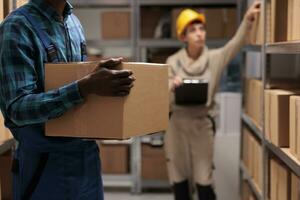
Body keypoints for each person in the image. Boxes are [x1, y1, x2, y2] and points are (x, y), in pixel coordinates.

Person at [0, 0, 135, 199]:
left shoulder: (74, 23)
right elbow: (18, 108)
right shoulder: (17, 27)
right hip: (44, 166)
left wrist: (96, 82)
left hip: (85, 159)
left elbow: (75, 91)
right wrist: (84, 87)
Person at [164, 2, 261, 200]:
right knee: (179, 178)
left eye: (202, 28)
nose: (199, 33)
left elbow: (235, 44)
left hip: (202, 123)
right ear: (183, 36)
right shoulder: (172, 62)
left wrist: (247, 20)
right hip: (176, 124)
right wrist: (170, 83)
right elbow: (160, 94)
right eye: (193, 30)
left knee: (204, 178)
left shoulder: (215, 58)